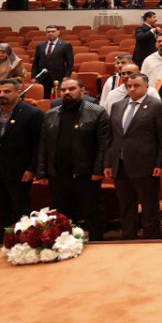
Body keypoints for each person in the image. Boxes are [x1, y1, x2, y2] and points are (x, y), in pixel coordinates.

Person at [36, 77, 109, 241]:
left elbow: (104, 145)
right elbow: (44, 145)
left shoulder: (97, 112)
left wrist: (98, 170)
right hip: (58, 174)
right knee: (63, 213)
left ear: (82, 91)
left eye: (71, 89)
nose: (67, 92)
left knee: (92, 211)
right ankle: (67, 243)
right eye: (64, 90)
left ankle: (97, 241)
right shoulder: (51, 114)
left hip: (86, 173)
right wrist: (42, 172)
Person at [104, 74, 162, 239]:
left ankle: (151, 239)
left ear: (146, 87)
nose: (132, 89)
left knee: (149, 207)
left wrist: (160, 163)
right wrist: (108, 162)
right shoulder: (117, 105)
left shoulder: (157, 106)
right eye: (129, 86)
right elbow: (111, 137)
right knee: (126, 206)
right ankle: (128, 239)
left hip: (146, 165)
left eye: (136, 85)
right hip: (120, 164)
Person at [0, 79, 45, 239]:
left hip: (20, 173)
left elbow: (39, 145)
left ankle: (23, 246)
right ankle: (1, 244)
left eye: (7, 91)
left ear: (17, 92)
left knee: (21, 212)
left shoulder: (33, 114)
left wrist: (32, 168)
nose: (2, 95)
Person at [32, 25, 74, 94]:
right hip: (43, 78)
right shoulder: (40, 46)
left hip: (58, 76)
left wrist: (67, 76)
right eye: (48, 32)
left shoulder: (65, 45)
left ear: (58, 32)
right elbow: (35, 62)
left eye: (53, 31)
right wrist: (34, 77)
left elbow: (70, 62)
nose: (50, 33)